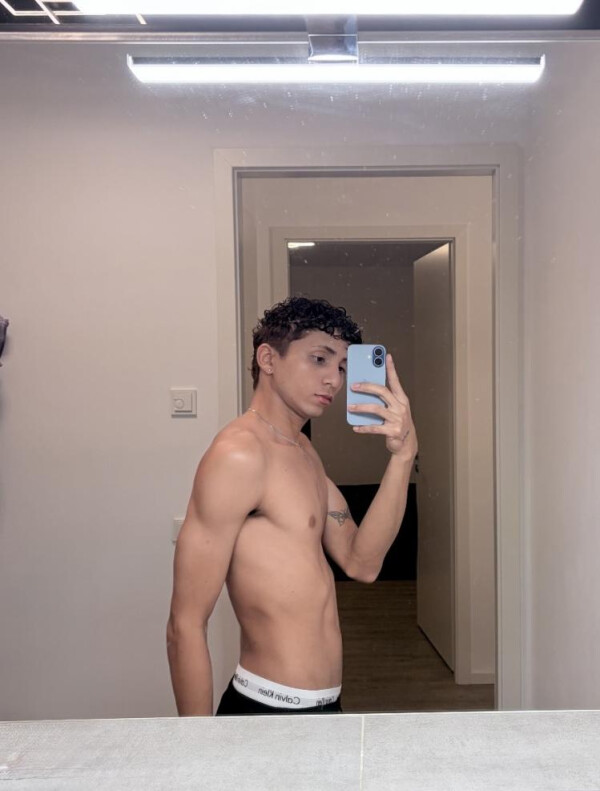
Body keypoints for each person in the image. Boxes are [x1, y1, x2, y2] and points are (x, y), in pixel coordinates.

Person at [166, 296, 418, 716]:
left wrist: (403, 455)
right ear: (268, 359)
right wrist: (200, 746)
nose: (334, 380)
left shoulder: (302, 451)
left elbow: (362, 562)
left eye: (342, 367)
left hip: (324, 708)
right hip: (267, 710)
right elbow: (185, 624)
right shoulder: (239, 455)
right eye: (319, 359)